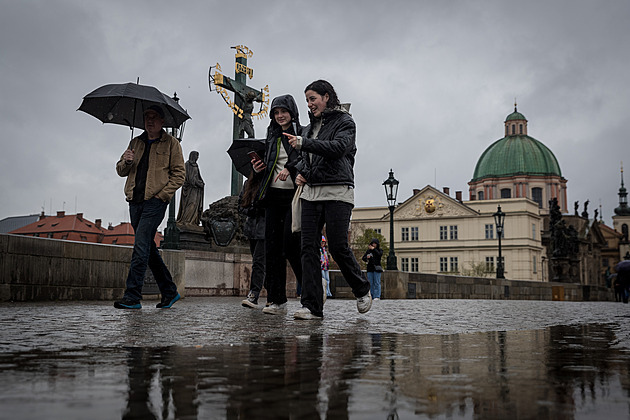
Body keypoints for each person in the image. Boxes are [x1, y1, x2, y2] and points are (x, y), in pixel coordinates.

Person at [287, 80, 372, 320]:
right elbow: (304, 158)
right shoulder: (307, 128)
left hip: (337, 191)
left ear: (326, 97)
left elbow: (338, 148)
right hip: (312, 193)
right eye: (307, 100)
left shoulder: (345, 122)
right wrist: (301, 171)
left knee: (337, 246)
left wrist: (305, 143)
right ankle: (312, 306)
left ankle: (362, 289)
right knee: (308, 248)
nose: (310, 104)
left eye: (313, 98)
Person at [114, 105, 186, 309]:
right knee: (148, 248)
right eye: (147, 117)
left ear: (162, 122)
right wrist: (126, 161)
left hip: (155, 201)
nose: (150, 121)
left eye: (154, 117)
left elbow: (179, 174)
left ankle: (132, 296)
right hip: (135, 200)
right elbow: (120, 170)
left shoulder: (171, 144)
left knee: (140, 245)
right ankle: (170, 291)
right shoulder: (135, 142)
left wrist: (162, 195)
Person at [253, 94, 303, 315]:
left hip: (294, 195)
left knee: (291, 246)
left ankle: (310, 288)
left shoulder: (302, 133)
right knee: (272, 248)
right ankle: (276, 299)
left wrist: (290, 168)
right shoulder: (271, 137)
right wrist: (258, 169)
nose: (280, 116)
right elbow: (270, 164)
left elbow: (308, 157)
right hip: (273, 195)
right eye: (276, 112)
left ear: (292, 112)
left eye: (284, 111)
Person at [239, 173, 266, 308]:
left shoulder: (268, 182)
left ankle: (254, 294)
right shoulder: (247, 184)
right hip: (251, 229)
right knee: (260, 263)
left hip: (265, 228)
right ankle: (271, 292)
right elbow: (241, 206)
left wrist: (260, 207)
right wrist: (251, 209)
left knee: (258, 262)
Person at [176, 151, 205, 227]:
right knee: (191, 204)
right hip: (190, 189)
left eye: (198, 156)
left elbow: (197, 176)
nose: (197, 158)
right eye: (196, 156)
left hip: (196, 190)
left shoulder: (196, 166)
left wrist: (201, 183)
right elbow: (188, 178)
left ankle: (193, 222)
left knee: (195, 204)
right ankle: (186, 220)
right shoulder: (187, 165)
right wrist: (197, 183)